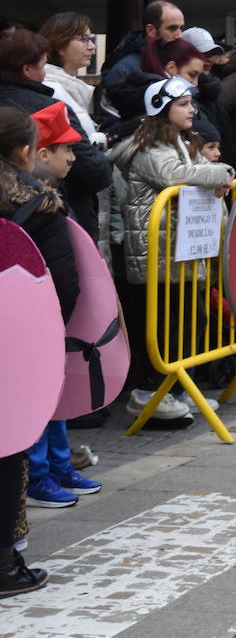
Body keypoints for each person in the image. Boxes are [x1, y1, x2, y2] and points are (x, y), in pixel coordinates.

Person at [110, 77, 235, 421]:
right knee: (168, 328)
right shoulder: (150, 147)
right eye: (183, 104)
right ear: (161, 109)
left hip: (180, 251)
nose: (192, 109)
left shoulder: (180, 140)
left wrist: (217, 175)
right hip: (158, 256)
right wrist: (221, 173)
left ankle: (178, 389)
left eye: (191, 103)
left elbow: (200, 171)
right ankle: (149, 393)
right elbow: (175, 176)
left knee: (191, 322)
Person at [0, 105, 83, 596]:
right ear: (27, 152)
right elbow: (64, 286)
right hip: (13, 344)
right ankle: (5, 565)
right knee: (7, 447)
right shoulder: (39, 204)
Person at [21, 104, 99, 510]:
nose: (73, 157)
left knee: (57, 389)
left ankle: (59, 462)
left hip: (58, 310)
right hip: (37, 312)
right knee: (38, 393)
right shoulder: (27, 200)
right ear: (40, 153)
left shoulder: (54, 193)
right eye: (65, 150)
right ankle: (36, 474)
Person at [0, 30, 111, 239]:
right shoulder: (51, 109)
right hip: (47, 217)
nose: (45, 74)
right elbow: (92, 171)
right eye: (42, 66)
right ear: (26, 69)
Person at [38, 12, 103, 147]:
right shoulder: (51, 90)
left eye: (90, 39)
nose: (92, 46)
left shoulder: (69, 86)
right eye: (83, 39)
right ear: (60, 45)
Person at [101, 0, 184, 87]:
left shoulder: (181, 60)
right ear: (151, 30)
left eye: (181, 28)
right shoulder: (126, 67)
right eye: (172, 28)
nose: (179, 36)